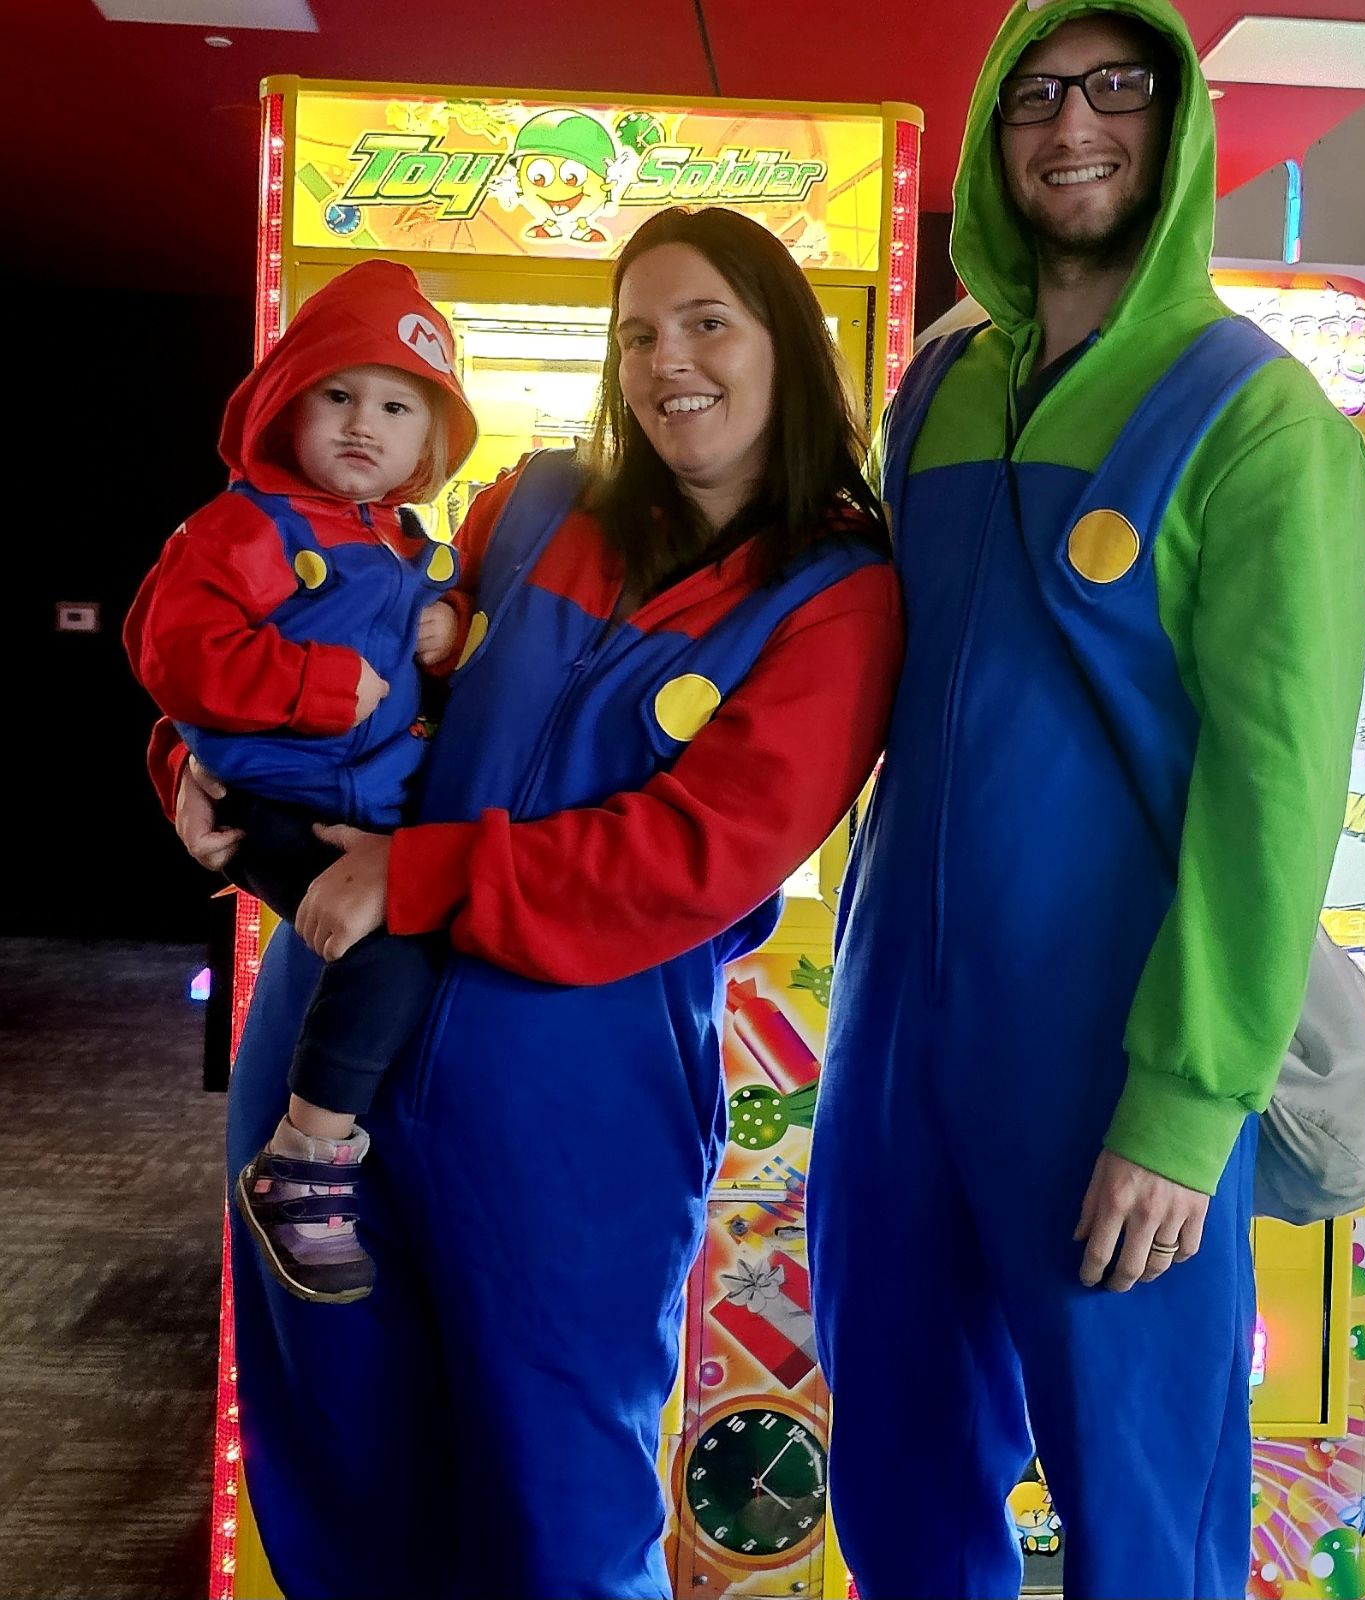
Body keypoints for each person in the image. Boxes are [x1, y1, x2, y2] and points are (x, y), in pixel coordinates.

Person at [154, 205, 902, 1598]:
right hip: (325, 1062)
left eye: (705, 323)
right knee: (336, 1477)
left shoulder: (836, 597)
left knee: (556, 1516)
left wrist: (420, 873)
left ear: (784, 348)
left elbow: (691, 856)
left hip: (571, 1115)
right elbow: (338, 661)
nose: (664, 360)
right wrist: (194, 762)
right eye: (634, 333)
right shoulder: (537, 501)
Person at [808, 3, 1365, 1597]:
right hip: (886, 1048)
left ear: (1174, 121)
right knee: (898, 1485)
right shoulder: (933, 393)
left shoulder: (1259, 421)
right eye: (1034, 95)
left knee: (1139, 1522)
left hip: (1114, 1065)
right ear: (991, 134)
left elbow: (1273, 799)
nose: (1072, 125)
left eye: (1113, 86)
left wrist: (1184, 1111)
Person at [125, 260, 479, 1304]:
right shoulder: (252, 527)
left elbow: (455, 666)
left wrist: (451, 635)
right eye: (338, 394)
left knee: (408, 945)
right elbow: (173, 651)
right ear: (287, 404)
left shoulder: (409, 548)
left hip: (364, 805)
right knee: (388, 948)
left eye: (396, 404)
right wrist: (317, 683)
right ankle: (305, 1158)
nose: (363, 422)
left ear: (430, 442)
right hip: (277, 802)